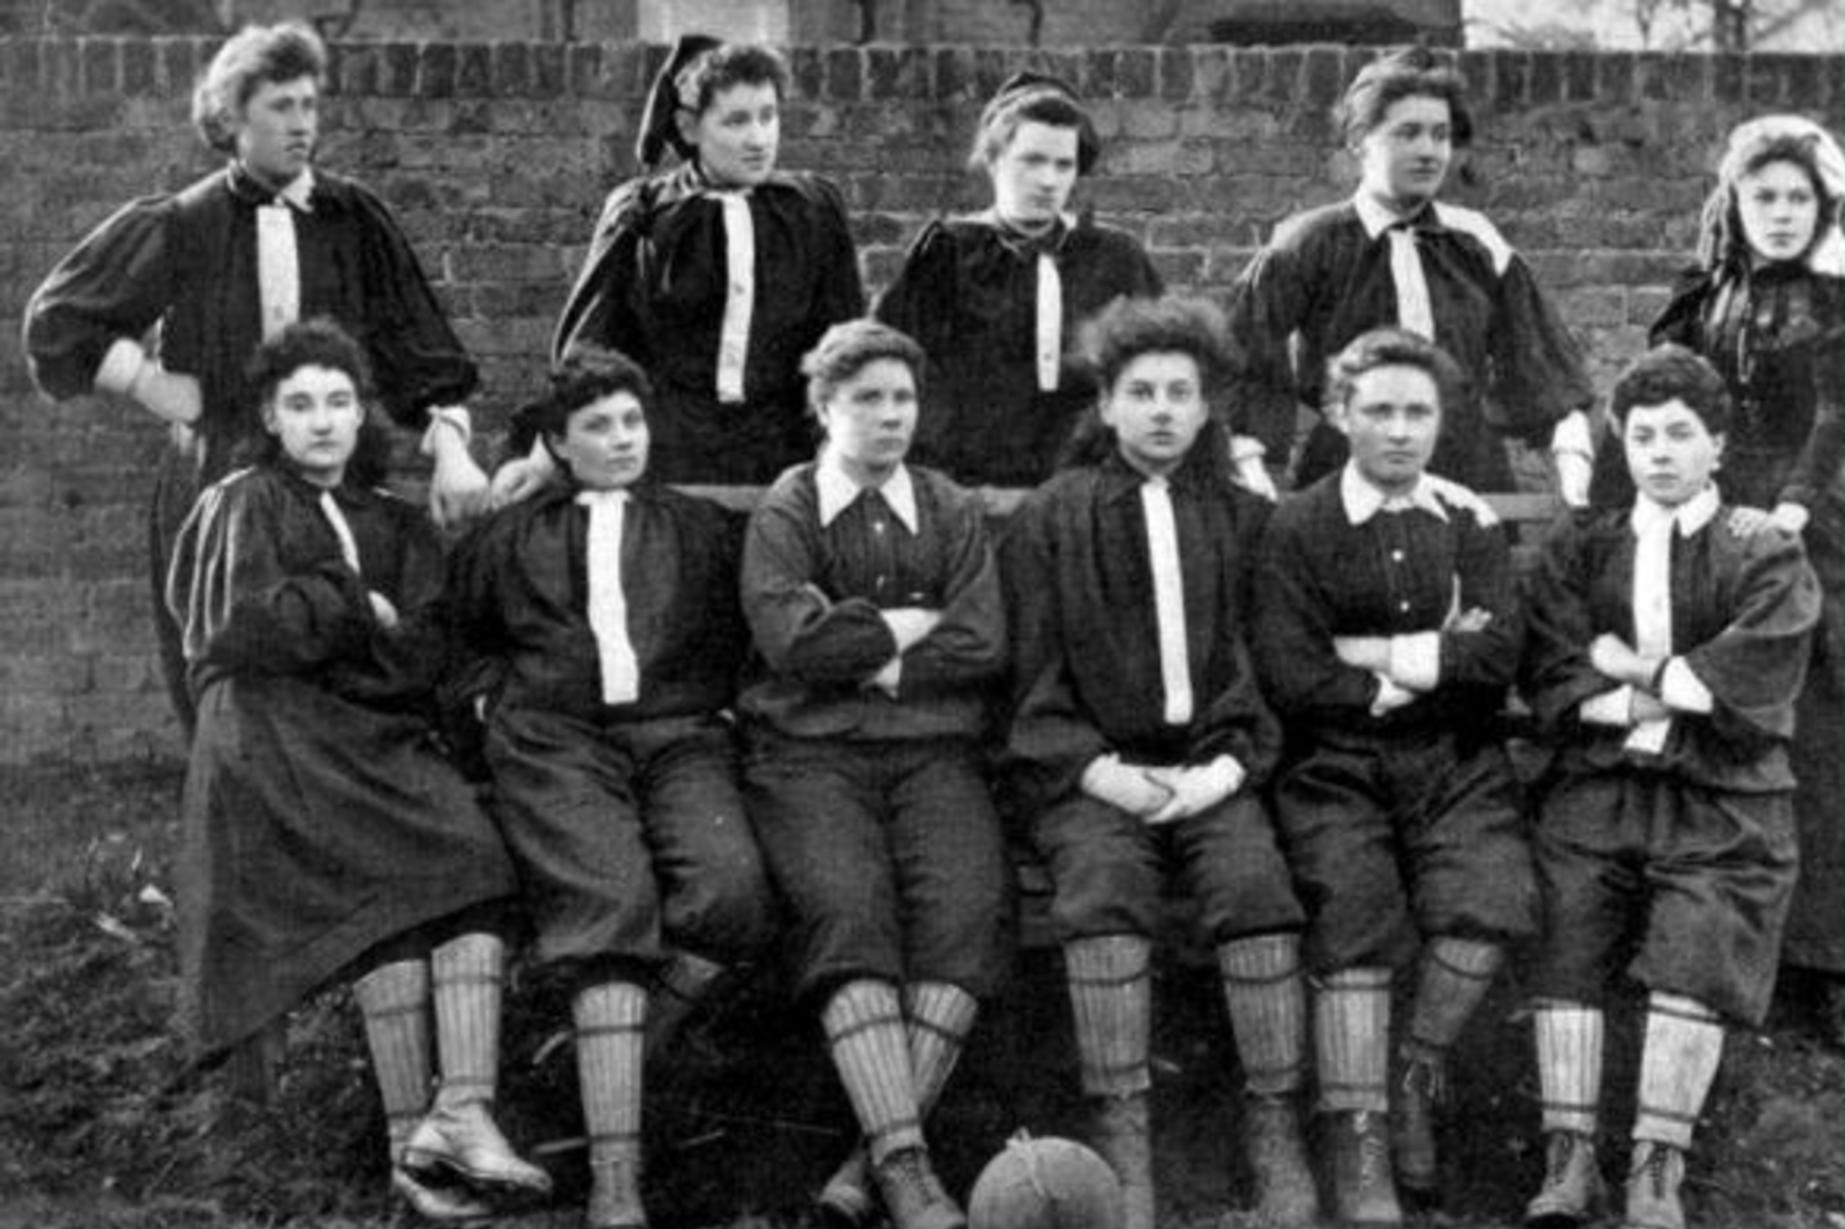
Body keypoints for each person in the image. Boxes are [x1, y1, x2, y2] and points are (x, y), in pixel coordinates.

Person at [166, 320, 545, 1225]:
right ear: (269, 415)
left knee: (478, 865)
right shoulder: (244, 500)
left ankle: (459, 1114)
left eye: (339, 401)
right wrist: (352, 605)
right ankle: (410, 1157)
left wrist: (360, 627)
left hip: (371, 734)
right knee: (386, 905)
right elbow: (243, 630)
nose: (324, 422)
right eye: (300, 405)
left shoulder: (391, 517)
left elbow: (423, 648)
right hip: (279, 738)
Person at [23, 22, 487, 732]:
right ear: (232, 119)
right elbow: (58, 321)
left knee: (342, 644)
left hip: (338, 475)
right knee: (225, 656)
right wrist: (151, 384)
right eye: (280, 107)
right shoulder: (188, 221)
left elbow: (420, 348)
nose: (302, 125)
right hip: (217, 474)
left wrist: (453, 452)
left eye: (309, 105)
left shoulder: (352, 219)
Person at [1002, 295, 1315, 1229]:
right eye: (1142, 392)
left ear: (1210, 406)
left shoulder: (1243, 518)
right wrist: (1100, 774)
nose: (1164, 412)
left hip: (1213, 770)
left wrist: (1220, 775)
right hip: (1093, 777)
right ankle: (1124, 1143)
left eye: (1183, 393)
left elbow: (1264, 670)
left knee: (1254, 883)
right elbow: (1030, 680)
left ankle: (1274, 1133)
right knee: (1100, 887)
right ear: (1105, 404)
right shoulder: (1054, 518)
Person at [448, 347, 774, 1229]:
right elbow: (460, 638)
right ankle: (615, 1180)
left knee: (734, 892)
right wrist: (488, 703)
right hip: (555, 741)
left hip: (678, 736)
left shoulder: (700, 530)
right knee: (613, 903)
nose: (622, 439)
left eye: (633, 421)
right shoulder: (510, 536)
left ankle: (604, 1064)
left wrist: (718, 707)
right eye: (598, 426)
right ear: (558, 441)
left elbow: (744, 635)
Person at [1639, 115, 1845, 1049]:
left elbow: (1841, 416)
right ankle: (1726, 946)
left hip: (1818, 534)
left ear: (1825, 207)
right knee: (1726, 727)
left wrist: (1792, 508)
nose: (1779, 213)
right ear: (1733, 205)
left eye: (1797, 199)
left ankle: (1839, 961)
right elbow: (1663, 406)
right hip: (1719, 523)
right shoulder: (1703, 300)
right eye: (1762, 196)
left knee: (1836, 736)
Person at [1518, 344, 1821, 1229]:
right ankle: (1568, 1154)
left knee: (1700, 933)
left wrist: (1640, 666)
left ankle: (1659, 1163)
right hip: (1603, 781)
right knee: (1567, 920)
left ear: (1717, 445)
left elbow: (1752, 669)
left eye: (1680, 434)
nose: (1658, 452)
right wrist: (1652, 686)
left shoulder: (1762, 545)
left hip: (1722, 788)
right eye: (1641, 435)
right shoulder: (1588, 545)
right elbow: (1556, 661)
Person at [1250, 328, 1538, 1229]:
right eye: (1378, 411)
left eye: (1419, 413)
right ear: (1340, 416)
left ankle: (1414, 1074)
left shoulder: (1468, 521)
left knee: (1492, 899)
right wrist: (1425, 664)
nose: (1401, 432)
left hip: (1455, 761)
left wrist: (1372, 656)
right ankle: (1358, 1131)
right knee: (1355, 910)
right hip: (1332, 767)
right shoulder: (1296, 523)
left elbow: (1495, 658)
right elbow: (1295, 673)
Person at [738, 319, 1010, 1229]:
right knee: (849, 914)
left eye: (904, 399)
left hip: (934, 752)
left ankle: (867, 1161)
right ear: (825, 407)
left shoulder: (946, 504)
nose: (892, 417)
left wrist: (868, 649)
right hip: (809, 758)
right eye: (868, 401)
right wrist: (910, 627)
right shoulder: (790, 509)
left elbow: (982, 641)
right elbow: (795, 647)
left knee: (968, 911)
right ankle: (903, 1162)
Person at [1228, 46, 1594, 498]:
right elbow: (1242, 363)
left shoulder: (1476, 241)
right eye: (1407, 133)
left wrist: (1574, 477)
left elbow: (1544, 368)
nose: (1428, 152)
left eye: (1439, 135)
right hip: (1346, 475)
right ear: (1359, 141)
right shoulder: (1308, 244)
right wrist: (1256, 474)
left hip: (1468, 474)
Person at [513, 36, 863, 492]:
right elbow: (590, 345)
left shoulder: (811, 208)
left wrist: (837, 447)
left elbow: (842, 343)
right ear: (691, 126)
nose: (758, 138)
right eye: (736, 121)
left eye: (768, 116)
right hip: (669, 459)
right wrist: (542, 458)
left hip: (782, 457)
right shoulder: (643, 212)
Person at [874, 73, 1164, 488]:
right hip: (971, 490)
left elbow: (1160, 368)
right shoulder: (947, 253)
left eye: (1064, 165)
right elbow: (899, 370)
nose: (1049, 181)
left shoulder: (1115, 258)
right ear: (994, 161)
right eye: (1032, 161)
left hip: (1088, 490)